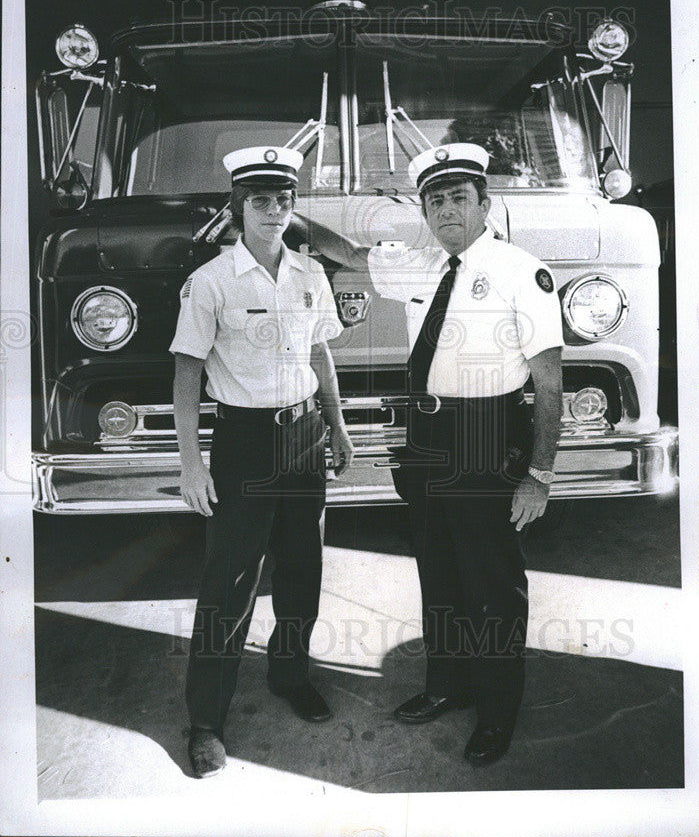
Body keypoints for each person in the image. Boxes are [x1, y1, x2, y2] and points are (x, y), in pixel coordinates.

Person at [292, 142, 562, 766]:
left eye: (457, 197)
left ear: (484, 203)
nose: (445, 209)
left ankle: (497, 710)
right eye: (434, 199)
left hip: (486, 436)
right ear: (425, 209)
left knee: (491, 581)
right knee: (439, 571)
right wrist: (299, 223)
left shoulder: (522, 271)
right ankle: (449, 684)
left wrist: (539, 476)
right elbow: (353, 254)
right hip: (429, 439)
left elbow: (549, 381)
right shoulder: (421, 265)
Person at [170, 144, 354, 778]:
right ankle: (205, 720)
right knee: (232, 579)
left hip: (303, 436)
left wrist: (337, 426)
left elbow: (320, 356)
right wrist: (191, 463)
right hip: (244, 443)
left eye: (283, 199)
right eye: (259, 200)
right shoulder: (212, 281)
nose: (273, 210)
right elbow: (187, 373)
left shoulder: (309, 275)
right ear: (238, 208)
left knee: (303, 567)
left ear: (293, 207)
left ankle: (290, 675)